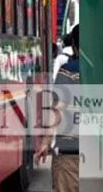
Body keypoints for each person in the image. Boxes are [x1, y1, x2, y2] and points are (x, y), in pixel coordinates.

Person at [37, 25, 79, 192]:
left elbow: (58, 110)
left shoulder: (69, 72)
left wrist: (45, 142)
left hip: (71, 156)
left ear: (74, 45)